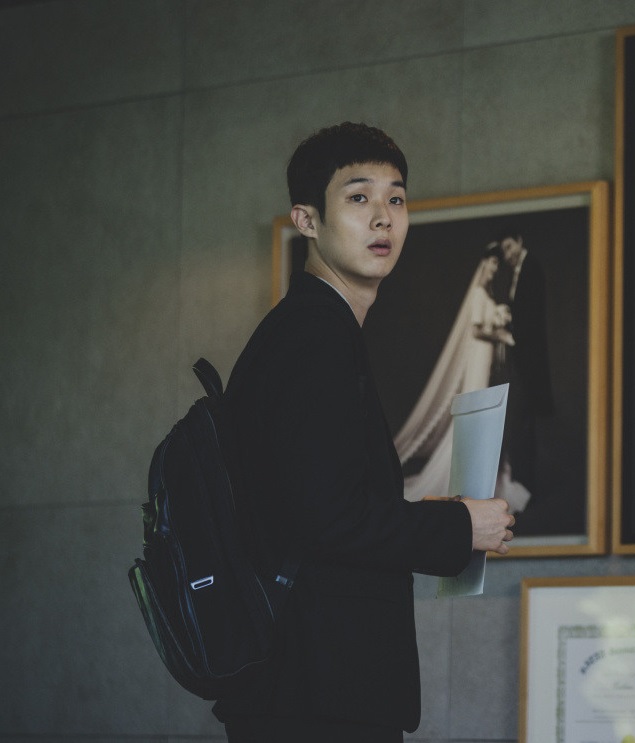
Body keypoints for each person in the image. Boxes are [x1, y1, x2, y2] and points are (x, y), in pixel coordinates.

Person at [213, 122, 515, 740]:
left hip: (309, 686)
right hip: (314, 695)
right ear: (307, 220)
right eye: (358, 197)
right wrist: (461, 527)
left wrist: (436, 517)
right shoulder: (314, 336)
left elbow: (319, 504)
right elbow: (329, 519)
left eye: (395, 199)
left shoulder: (315, 329)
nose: (383, 217)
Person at [392, 245, 530, 510]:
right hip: (478, 359)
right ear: (484, 264)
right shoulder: (478, 293)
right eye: (491, 263)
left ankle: (482, 478)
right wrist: (501, 334)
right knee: (475, 416)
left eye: (496, 265)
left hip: (486, 360)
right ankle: (462, 480)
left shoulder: (487, 293)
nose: (494, 268)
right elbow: (476, 331)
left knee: (483, 416)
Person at [490, 230, 553, 508]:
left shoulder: (531, 268)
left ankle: (526, 488)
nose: (506, 255)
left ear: (519, 241)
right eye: (503, 251)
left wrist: (509, 333)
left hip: (530, 364)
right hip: (522, 363)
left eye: (508, 247)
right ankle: (523, 485)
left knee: (524, 425)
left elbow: (531, 317)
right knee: (520, 425)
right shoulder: (519, 271)